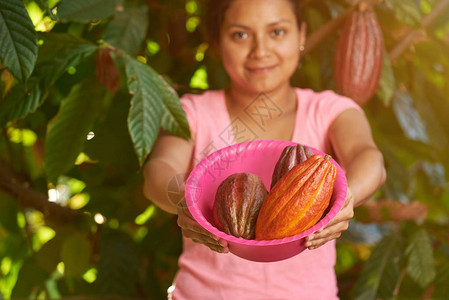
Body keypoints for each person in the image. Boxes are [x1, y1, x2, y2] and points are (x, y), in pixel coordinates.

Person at [143, 0, 386, 298]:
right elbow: (159, 170)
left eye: (277, 32)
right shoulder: (192, 112)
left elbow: (368, 157)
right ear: (217, 41)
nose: (260, 50)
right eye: (241, 35)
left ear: (301, 36)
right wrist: (186, 200)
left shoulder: (329, 111)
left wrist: (348, 196)